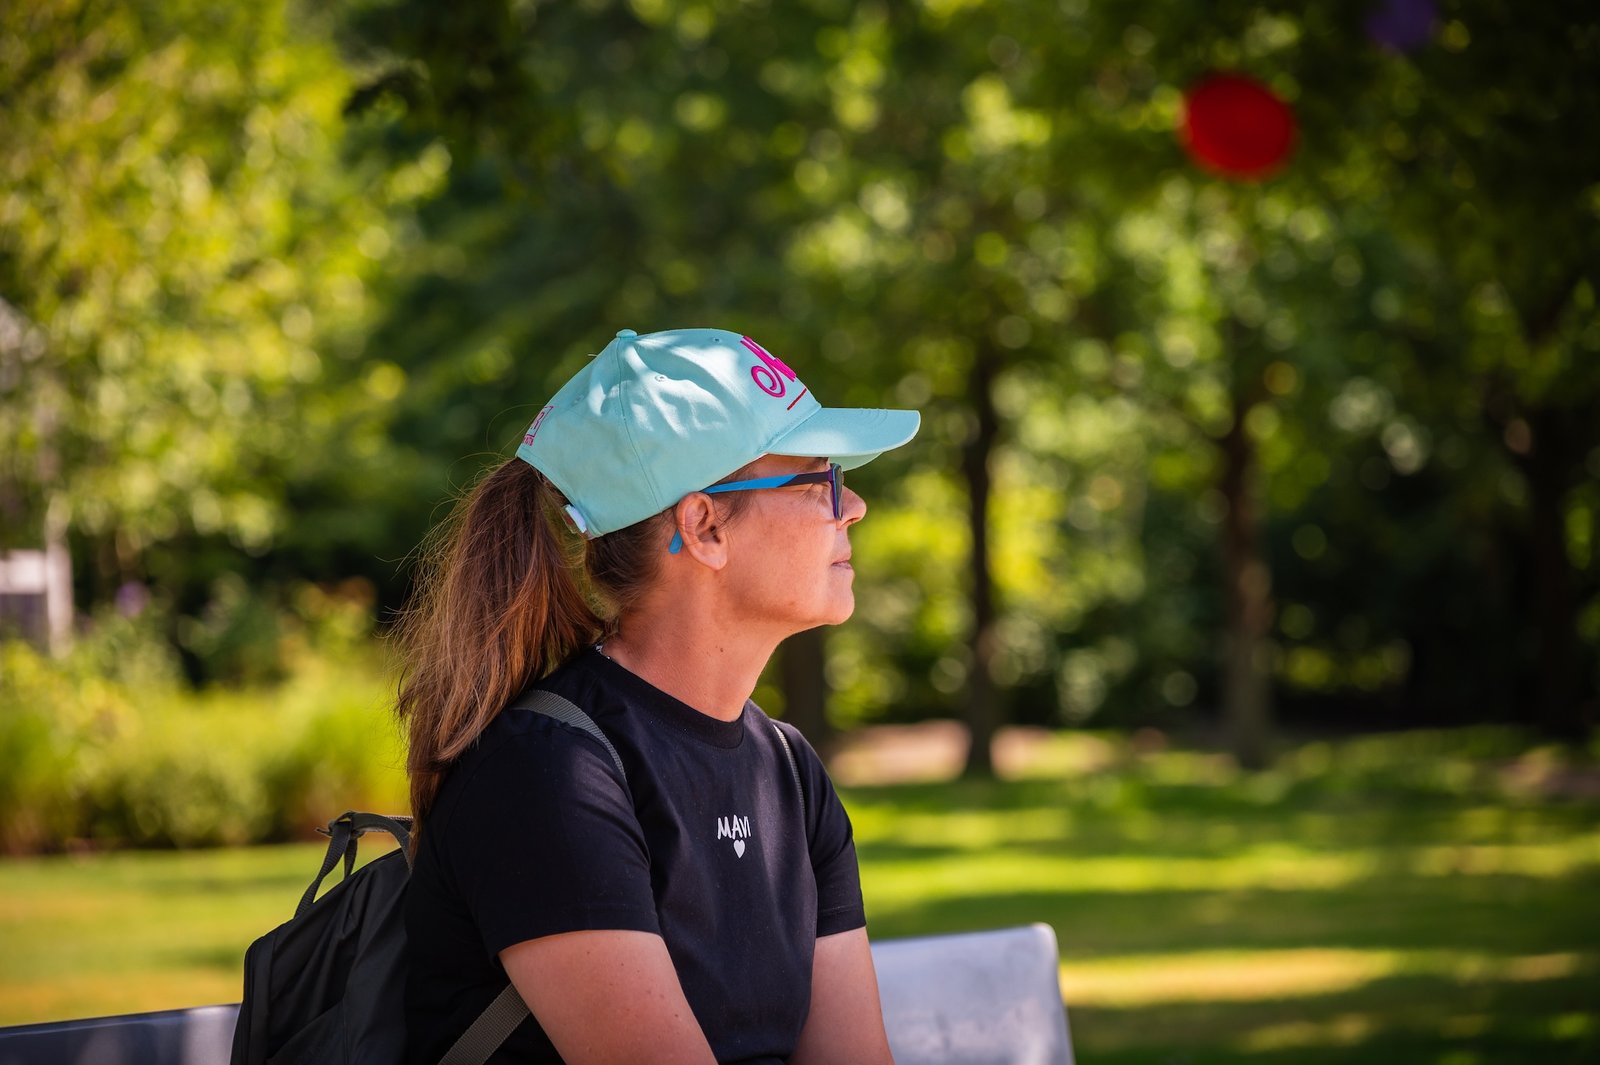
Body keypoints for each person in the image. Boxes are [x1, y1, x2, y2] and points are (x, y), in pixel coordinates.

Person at [395, 327, 920, 1065]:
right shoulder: (546, 775)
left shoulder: (790, 771)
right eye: (817, 478)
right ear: (704, 527)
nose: (854, 504)